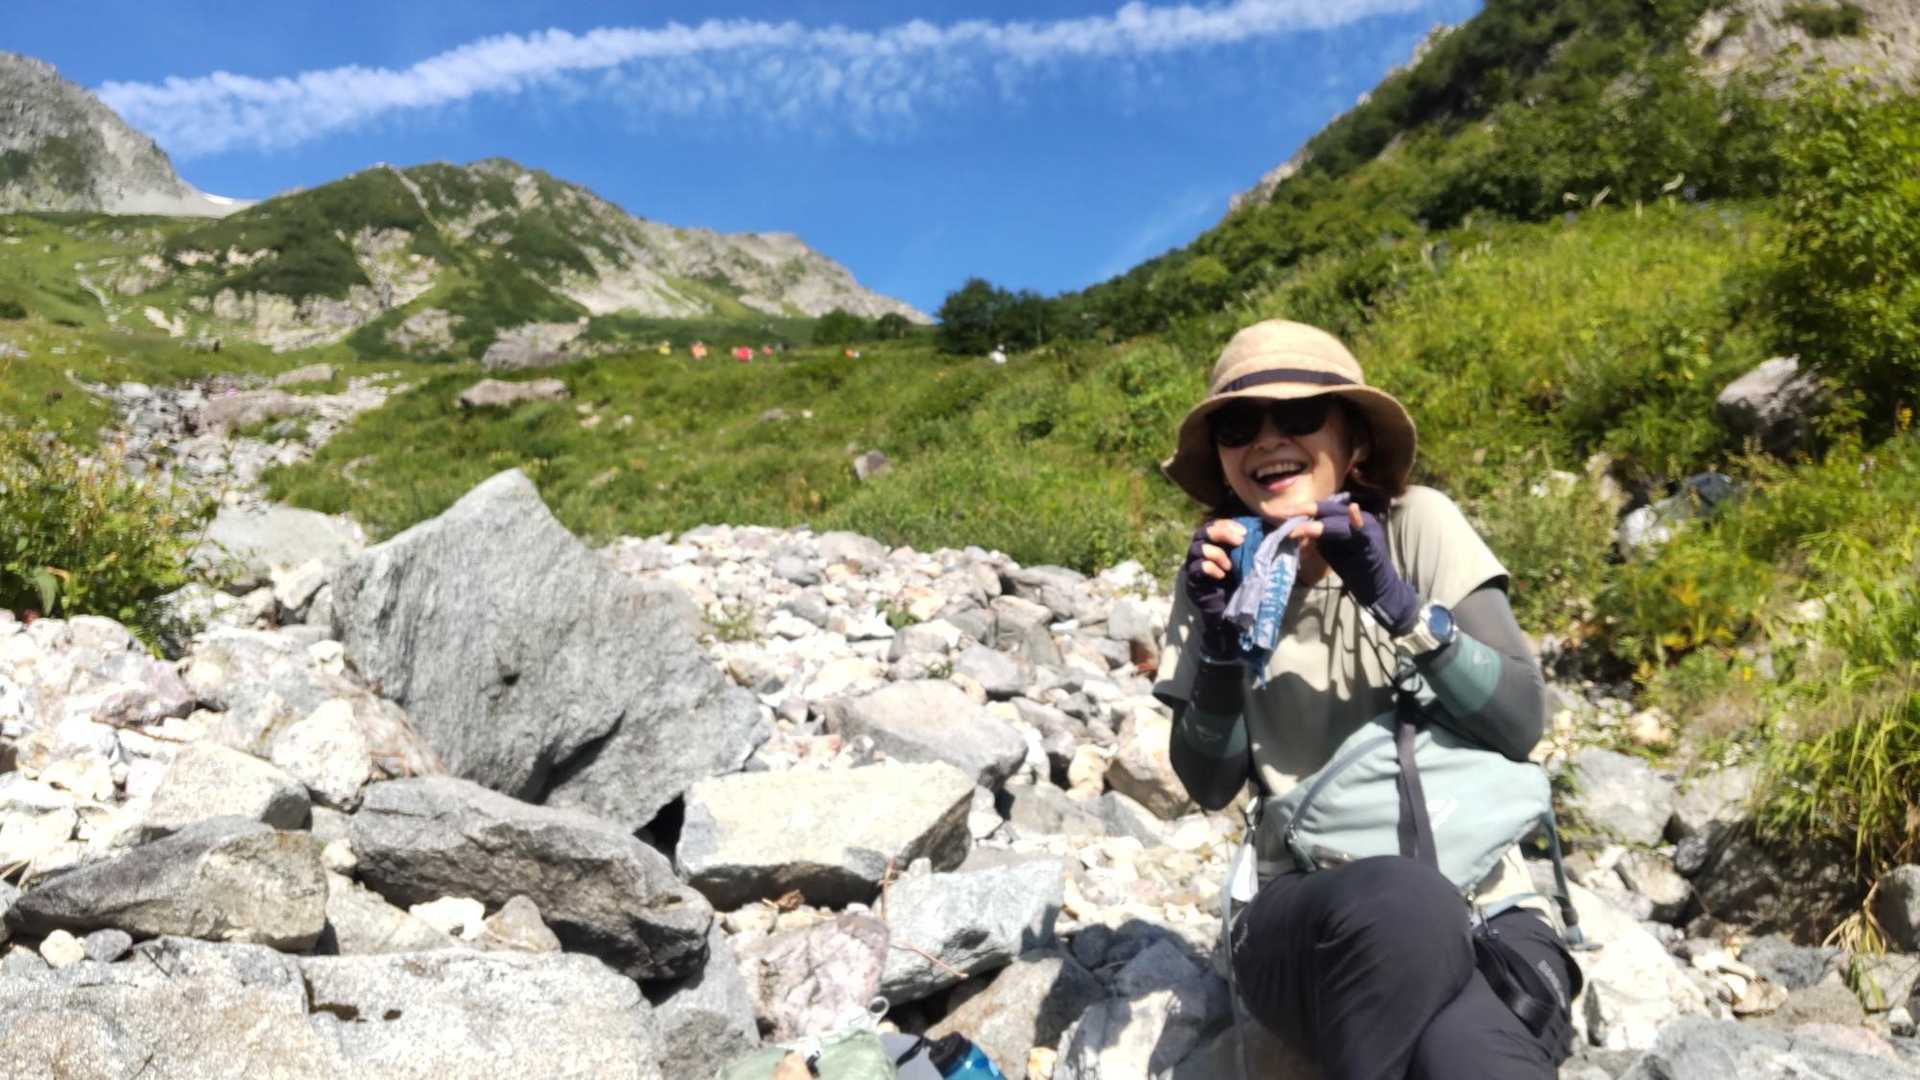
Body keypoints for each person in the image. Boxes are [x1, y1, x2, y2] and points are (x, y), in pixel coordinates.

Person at [1152, 320, 1578, 1079]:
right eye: (1238, 425)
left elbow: (1519, 721)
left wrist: (1400, 606)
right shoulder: (1220, 569)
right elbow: (1209, 783)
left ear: (1355, 443)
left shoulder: (1418, 528)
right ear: (1220, 457)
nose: (1267, 440)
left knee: (1469, 1057)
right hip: (1305, 916)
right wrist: (1219, 652)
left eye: (1299, 414)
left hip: (1489, 908)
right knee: (1405, 902)